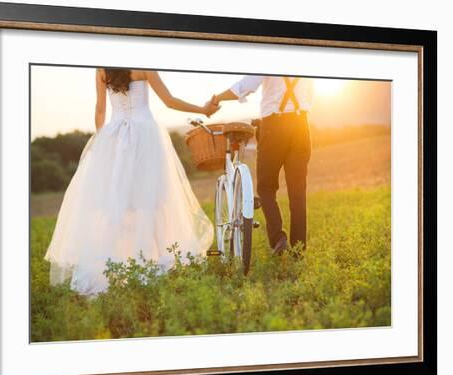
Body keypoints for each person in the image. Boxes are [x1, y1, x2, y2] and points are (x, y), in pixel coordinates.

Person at [45, 69, 219, 294]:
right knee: (152, 202)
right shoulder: (144, 67)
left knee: (118, 204)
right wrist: (203, 110)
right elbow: (169, 101)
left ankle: (119, 264)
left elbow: (100, 109)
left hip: (116, 137)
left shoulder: (102, 70)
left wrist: (102, 143)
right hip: (145, 136)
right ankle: (154, 260)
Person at [211, 76, 314, 254]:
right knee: (298, 192)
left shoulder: (269, 56)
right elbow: (310, 93)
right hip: (301, 126)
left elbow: (243, 87)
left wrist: (216, 98)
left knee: (266, 188)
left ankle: (278, 239)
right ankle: (299, 251)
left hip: (274, 126)